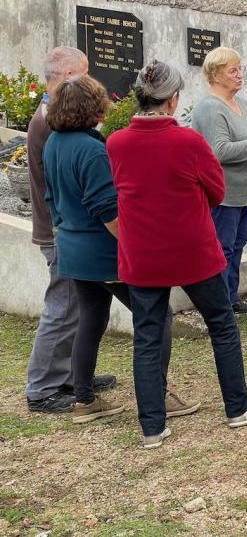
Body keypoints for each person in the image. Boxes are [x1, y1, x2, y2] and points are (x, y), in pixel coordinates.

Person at [107, 60, 247, 449]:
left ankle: (152, 428)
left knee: (147, 337)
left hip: (143, 253)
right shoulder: (187, 142)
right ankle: (237, 407)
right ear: (173, 100)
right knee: (221, 325)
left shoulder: (116, 142)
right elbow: (217, 191)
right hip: (192, 249)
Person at [43, 75, 199, 424]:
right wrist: (135, 244)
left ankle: (84, 398)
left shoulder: (54, 143)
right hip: (105, 253)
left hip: (72, 248)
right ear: (93, 107)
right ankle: (158, 396)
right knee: (156, 317)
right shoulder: (93, 150)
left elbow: (51, 197)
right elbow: (107, 209)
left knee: (92, 318)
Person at [24, 46, 115, 414]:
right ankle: (43, 387)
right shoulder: (51, 122)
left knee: (77, 307)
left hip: (62, 228)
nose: (91, 81)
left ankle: (73, 376)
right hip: (61, 231)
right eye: (84, 74)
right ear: (65, 77)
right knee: (62, 309)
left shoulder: (50, 115)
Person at [191, 47, 247, 314]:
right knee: (222, 249)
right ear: (215, 75)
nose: (240, 75)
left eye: (240, 69)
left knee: (237, 246)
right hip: (224, 194)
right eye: (233, 71)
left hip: (245, 192)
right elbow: (218, 151)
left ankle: (231, 298)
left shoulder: (240, 103)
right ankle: (218, 304)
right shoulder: (210, 108)